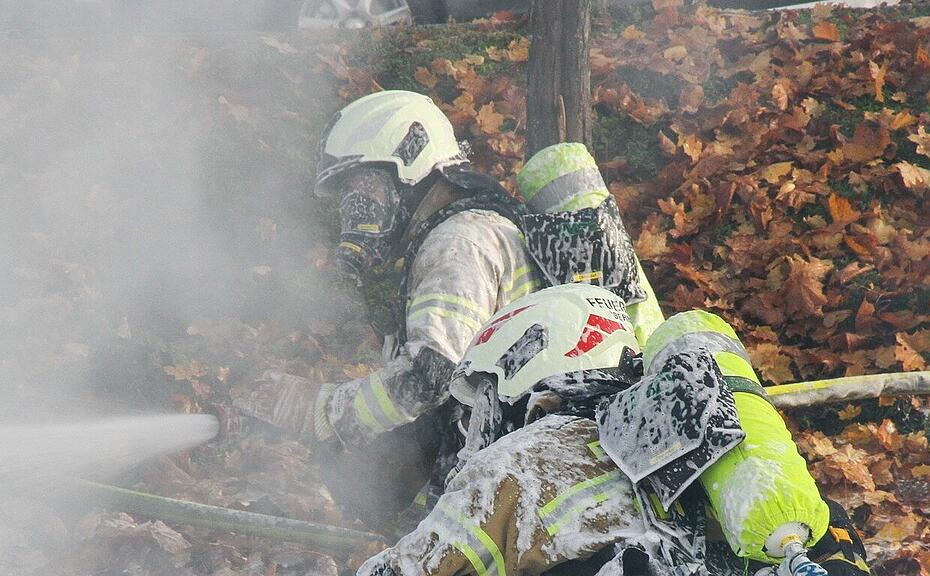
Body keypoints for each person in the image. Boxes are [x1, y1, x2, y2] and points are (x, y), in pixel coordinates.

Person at [229, 92, 663, 525]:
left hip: (516, 465)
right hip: (534, 455)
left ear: (409, 162)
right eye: (349, 197)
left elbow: (431, 375)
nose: (357, 210)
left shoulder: (458, 242)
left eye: (365, 188)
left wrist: (324, 411)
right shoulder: (477, 226)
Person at [358, 284, 872, 576]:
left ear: (521, 363)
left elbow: (412, 569)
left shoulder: (518, 461)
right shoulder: (704, 436)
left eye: (486, 396)